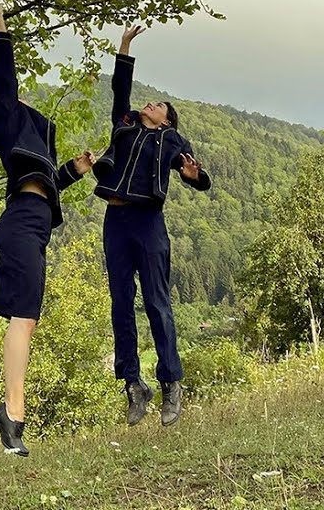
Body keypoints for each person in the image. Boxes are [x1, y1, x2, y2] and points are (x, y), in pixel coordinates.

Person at [0, 0, 95, 456]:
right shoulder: (5, 120)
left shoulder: (26, 140)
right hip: (22, 223)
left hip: (34, 222)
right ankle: (14, 418)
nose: (23, 97)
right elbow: (4, 78)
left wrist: (73, 171)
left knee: (27, 322)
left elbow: (45, 183)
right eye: (14, 98)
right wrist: (0, 23)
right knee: (23, 320)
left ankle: (8, 411)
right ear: (1, 107)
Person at [91, 24, 212, 427]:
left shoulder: (173, 140)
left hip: (148, 223)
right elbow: (120, 89)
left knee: (158, 304)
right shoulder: (124, 123)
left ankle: (170, 384)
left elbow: (194, 175)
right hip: (116, 220)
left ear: (166, 119)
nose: (151, 103)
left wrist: (194, 176)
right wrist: (124, 46)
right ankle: (132, 384)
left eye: (159, 104)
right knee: (121, 304)